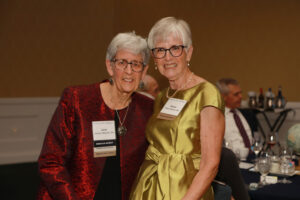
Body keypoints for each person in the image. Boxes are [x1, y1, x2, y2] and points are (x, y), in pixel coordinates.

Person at [37, 32, 154, 200]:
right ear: (110, 66)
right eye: (122, 63)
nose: (129, 71)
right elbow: (50, 161)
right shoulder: (77, 99)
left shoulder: (148, 109)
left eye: (136, 64)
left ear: (144, 72)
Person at [130, 17, 225, 200]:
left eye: (175, 49)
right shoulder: (161, 97)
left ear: (188, 53)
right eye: (160, 50)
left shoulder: (207, 94)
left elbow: (210, 164)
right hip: (151, 188)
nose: (167, 57)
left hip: (186, 191)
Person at [216, 78, 258, 156]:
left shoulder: (245, 114)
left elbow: (254, 140)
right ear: (223, 96)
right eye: (236, 94)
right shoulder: (217, 117)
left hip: (251, 158)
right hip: (231, 162)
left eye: (240, 93)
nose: (241, 97)